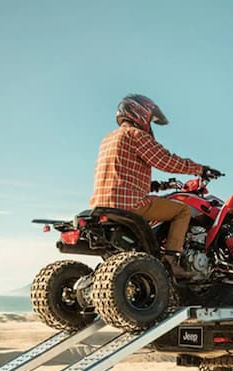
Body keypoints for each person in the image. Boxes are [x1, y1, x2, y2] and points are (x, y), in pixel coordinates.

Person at [91, 94, 221, 275]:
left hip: (101, 205)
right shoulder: (135, 134)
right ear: (140, 112)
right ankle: (171, 261)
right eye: (150, 119)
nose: (150, 125)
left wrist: (157, 185)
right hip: (129, 205)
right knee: (182, 211)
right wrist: (200, 169)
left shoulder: (108, 139)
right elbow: (165, 160)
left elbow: (121, 173)